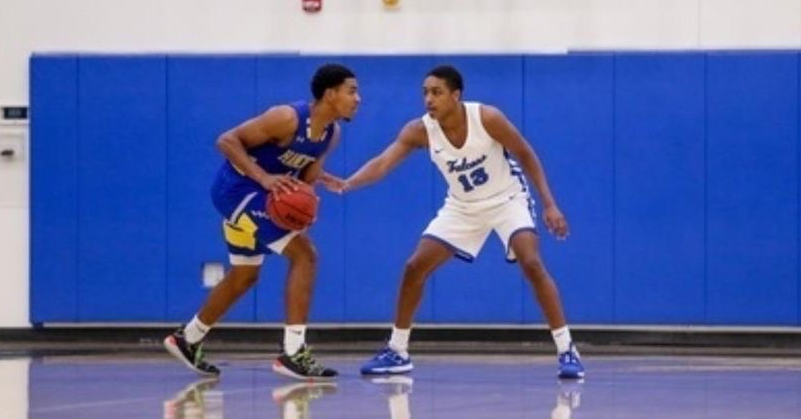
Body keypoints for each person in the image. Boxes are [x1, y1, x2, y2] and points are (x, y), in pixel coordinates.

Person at [324, 65, 584, 379]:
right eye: (425, 93)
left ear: (456, 95)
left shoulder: (487, 118)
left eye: (436, 92)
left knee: (531, 262)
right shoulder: (419, 130)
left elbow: (526, 154)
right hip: (462, 207)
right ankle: (397, 350)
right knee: (414, 267)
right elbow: (382, 163)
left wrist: (550, 204)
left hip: (507, 199)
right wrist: (347, 183)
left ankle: (567, 349)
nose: (428, 99)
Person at [164, 63, 360, 380]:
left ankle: (188, 338)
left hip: (261, 197)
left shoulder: (330, 134)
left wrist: (316, 185)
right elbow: (227, 141)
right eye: (352, 91)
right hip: (237, 190)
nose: (358, 99)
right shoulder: (287, 117)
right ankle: (293, 353)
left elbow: (306, 175)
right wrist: (264, 178)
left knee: (244, 275)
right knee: (305, 255)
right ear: (330, 93)